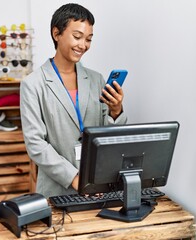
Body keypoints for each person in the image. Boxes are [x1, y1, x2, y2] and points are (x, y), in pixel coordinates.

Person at [20, 3, 127, 198]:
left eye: (88, 39)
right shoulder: (32, 84)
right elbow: (35, 144)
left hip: (98, 187)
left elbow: (109, 136)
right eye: (77, 37)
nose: (83, 45)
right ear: (56, 33)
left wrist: (115, 111)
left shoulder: (97, 80)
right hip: (56, 191)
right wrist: (75, 179)